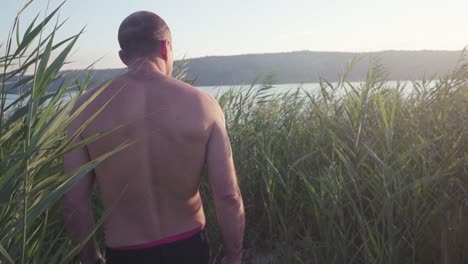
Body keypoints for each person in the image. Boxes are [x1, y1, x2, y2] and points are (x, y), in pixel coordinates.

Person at [63, 11, 245, 264]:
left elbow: (74, 201)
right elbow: (228, 195)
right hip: (190, 247)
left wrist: (90, 258)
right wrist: (234, 256)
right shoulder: (204, 105)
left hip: (126, 253)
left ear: (123, 57)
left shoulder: (85, 110)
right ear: (166, 47)